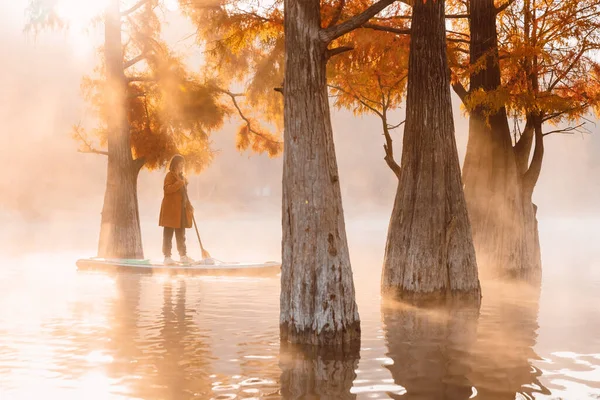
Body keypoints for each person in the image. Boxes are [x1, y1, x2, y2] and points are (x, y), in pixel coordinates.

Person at [159, 154, 195, 265]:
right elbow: (167, 189)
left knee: (181, 234)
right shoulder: (169, 176)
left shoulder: (182, 177)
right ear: (175, 164)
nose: (182, 165)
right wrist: (179, 183)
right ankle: (167, 257)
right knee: (168, 233)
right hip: (171, 210)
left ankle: (183, 256)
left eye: (183, 163)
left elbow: (185, 194)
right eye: (180, 163)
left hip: (181, 210)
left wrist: (189, 205)